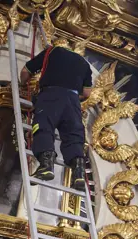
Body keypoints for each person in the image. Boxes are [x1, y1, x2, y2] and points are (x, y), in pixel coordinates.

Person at [20, 38, 92, 191]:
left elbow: (26, 71)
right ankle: (78, 173)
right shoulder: (84, 64)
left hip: (51, 95)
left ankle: (46, 166)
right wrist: (71, 94)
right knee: (74, 135)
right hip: (73, 101)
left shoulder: (52, 51)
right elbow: (87, 92)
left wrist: (23, 84)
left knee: (43, 126)